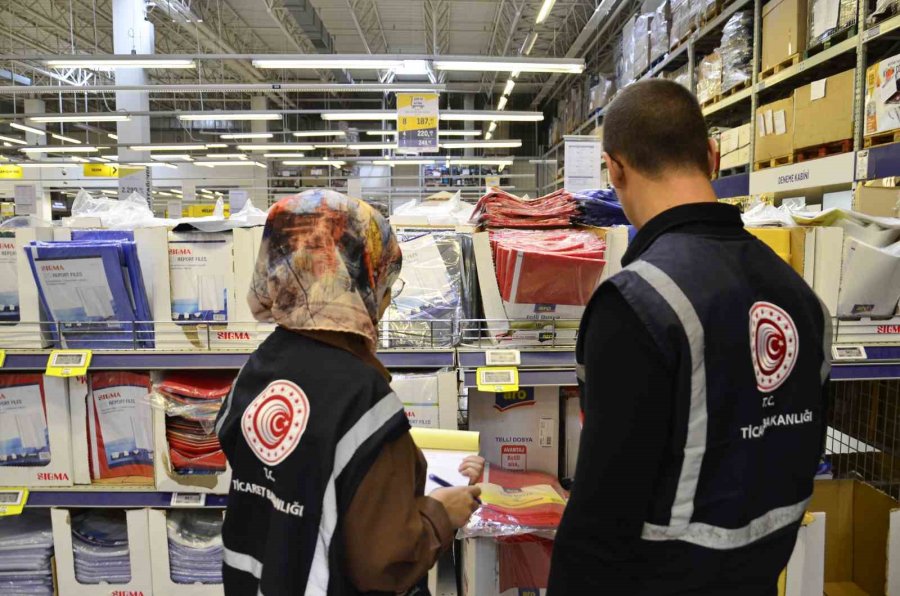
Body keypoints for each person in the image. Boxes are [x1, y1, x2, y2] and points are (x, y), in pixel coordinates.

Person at [547, 80, 830, 595]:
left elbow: (600, 515)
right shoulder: (801, 297)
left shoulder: (637, 302)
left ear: (614, 169)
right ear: (713, 156)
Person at [215, 189, 482, 596]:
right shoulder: (361, 394)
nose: (387, 299)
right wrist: (441, 514)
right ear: (358, 282)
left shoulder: (261, 365)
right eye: (385, 281)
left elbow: (303, 483)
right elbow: (384, 562)